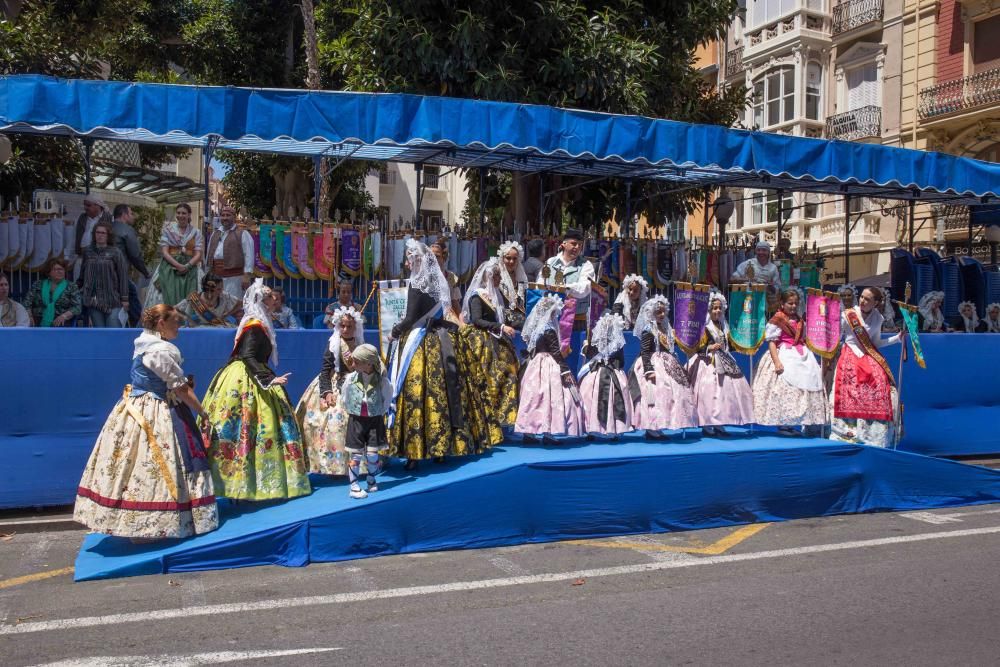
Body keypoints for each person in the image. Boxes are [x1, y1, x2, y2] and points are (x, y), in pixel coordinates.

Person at [74, 305, 218, 539]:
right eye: (175, 322)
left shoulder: (143, 342)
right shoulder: (160, 350)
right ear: (161, 324)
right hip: (156, 409)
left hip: (136, 405)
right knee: (161, 461)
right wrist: (202, 412)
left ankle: (133, 522)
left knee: (133, 463)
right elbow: (179, 388)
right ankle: (153, 523)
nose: (178, 327)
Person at [202, 279, 311, 500]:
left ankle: (247, 483)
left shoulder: (259, 322)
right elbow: (248, 355)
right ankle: (237, 484)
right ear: (262, 300)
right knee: (247, 427)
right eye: (270, 296)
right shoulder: (254, 324)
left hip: (250, 374)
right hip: (247, 378)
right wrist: (269, 378)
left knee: (253, 430)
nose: (275, 299)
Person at [389, 239, 489, 470]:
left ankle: (414, 452)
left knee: (414, 393)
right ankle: (442, 448)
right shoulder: (436, 281)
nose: (407, 262)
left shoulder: (417, 283)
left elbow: (410, 319)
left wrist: (394, 333)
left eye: (409, 258)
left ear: (415, 260)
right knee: (440, 393)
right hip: (439, 339)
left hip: (419, 342)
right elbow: (441, 313)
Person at [830, 287, 904, 448]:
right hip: (850, 352)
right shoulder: (848, 315)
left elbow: (876, 343)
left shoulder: (878, 318)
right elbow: (835, 337)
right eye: (862, 297)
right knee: (850, 383)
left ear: (876, 303)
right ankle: (846, 431)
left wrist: (897, 339)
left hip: (868, 354)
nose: (862, 301)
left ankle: (874, 433)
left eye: (867, 299)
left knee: (880, 382)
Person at [295, 306, 364, 476]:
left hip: (356, 385)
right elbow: (325, 370)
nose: (346, 329)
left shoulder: (360, 344)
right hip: (335, 384)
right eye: (343, 326)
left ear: (355, 327)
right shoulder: (334, 343)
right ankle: (334, 465)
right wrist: (326, 392)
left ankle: (360, 463)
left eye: (349, 326)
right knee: (332, 423)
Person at [752, 288, 827, 436]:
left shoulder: (800, 320)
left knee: (801, 389)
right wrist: (777, 362)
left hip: (801, 355)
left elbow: (804, 339)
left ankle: (796, 422)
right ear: (782, 303)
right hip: (784, 353)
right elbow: (772, 342)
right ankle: (783, 424)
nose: (793, 306)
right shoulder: (777, 319)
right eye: (790, 303)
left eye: (795, 304)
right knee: (783, 389)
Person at [460, 258, 521, 432]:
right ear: (488, 277)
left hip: (496, 339)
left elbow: (504, 317)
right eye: (496, 276)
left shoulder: (496, 295)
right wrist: (500, 327)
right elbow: (477, 320)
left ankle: (500, 417)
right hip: (481, 341)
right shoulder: (477, 296)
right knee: (486, 377)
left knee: (507, 373)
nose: (499, 279)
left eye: (499, 276)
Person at [515, 293, 584, 441]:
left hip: (535, 364)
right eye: (554, 312)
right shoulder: (549, 329)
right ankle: (548, 432)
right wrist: (565, 370)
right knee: (550, 397)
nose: (555, 315)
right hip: (548, 363)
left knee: (534, 397)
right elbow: (556, 352)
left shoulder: (537, 329)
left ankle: (529, 432)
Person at [626, 296, 695, 439]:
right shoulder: (648, 329)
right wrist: (648, 369)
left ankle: (662, 424)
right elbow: (645, 351)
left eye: (663, 312)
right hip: (653, 363)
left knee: (671, 394)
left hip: (667, 363)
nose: (662, 315)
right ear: (651, 313)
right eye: (658, 312)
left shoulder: (665, 329)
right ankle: (652, 427)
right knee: (656, 394)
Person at [688, 292, 754, 436]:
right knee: (710, 394)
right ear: (709, 311)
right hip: (709, 363)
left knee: (726, 394)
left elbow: (730, 343)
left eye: (719, 308)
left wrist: (745, 342)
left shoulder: (724, 327)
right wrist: (708, 348)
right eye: (714, 308)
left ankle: (720, 422)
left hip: (725, 360)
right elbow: (696, 345)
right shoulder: (705, 327)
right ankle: (707, 423)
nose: (717, 311)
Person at [341, 343, 392, 499]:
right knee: (355, 455)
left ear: (368, 363)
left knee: (372, 455)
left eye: (357, 362)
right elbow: (344, 396)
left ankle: (371, 478)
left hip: (374, 422)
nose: (353, 364)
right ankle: (354, 486)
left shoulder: (382, 381)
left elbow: (387, 398)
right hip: (356, 421)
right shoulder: (351, 379)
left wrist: (378, 411)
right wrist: (352, 408)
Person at [578, 312, 633, 438]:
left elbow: (589, 355)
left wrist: (586, 346)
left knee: (591, 398)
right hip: (613, 372)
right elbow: (621, 360)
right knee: (614, 398)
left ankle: (591, 428)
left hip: (595, 373)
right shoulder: (618, 343)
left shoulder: (595, 342)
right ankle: (613, 429)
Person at [152, 203, 204, 307]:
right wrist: (178, 266)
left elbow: (198, 254)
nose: (181, 215)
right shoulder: (168, 230)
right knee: (166, 294)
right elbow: (165, 252)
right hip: (169, 268)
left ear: (189, 215)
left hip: (190, 268)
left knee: (193, 295)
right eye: (178, 213)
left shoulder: (196, 232)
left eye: (184, 213)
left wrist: (187, 266)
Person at [543, 228, 595, 332]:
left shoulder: (586, 265)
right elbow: (541, 282)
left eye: (580, 245)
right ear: (564, 244)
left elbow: (585, 287)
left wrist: (565, 288)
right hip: (551, 317)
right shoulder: (550, 262)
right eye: (574, 243)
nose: (577, 247)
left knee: (574, 347)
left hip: (576, 319)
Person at [80, 220, 129, 328]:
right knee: (100, 333)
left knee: (113, 332)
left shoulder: (115, 252)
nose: (100, 235)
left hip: (113, 299)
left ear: (108, 235)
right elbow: (82, 275)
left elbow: (123, 276)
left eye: (103, 233)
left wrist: (125, 299)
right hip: (94, 300)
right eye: (97, 232)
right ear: (94, 234)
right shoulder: (88, 251)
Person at [111, 203, 151, 325]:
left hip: (104, 275)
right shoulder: (127, 230)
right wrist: (145, 272)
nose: (133, 216)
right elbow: (135, 255)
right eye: (131, 213)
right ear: (124, 215)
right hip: (121, 274)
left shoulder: (105, 228)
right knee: (135, 306)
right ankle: (136, 331)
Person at [203, 205, 254, 300]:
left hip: (234, 278)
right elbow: (209, 255)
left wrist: (246, 276)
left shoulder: (242, 233)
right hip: (216, 278)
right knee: (217, 304)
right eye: (223, 215)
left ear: (234, 217)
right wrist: (207, 274)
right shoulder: (215, 233)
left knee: (233, 303)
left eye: (228, 215)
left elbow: (249, 255)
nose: (225, 218)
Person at [24, 258, 82, 327]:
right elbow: (26, 303)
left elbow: (77, 307)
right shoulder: (38, 285)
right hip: (38, 319)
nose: (59, 271)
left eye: (61, 269)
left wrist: (64, 316)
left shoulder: (72, 286)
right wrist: (29, 316)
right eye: (55, 269)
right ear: (49, 272)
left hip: (61, 321)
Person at [175, 273, 240, 327]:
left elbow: (240, 304)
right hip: (201, 328)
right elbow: (174, 309)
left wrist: (227, 314)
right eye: (219, 289)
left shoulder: (224, 296)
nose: (221, 290)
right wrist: (188, 319)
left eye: (221, 288)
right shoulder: (195, 298)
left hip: (220, 327)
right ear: (209, 289)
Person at [73, 193, 112, 279]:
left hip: (99, 261)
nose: (85, 208)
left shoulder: (109, 219)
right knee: (77, 286)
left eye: (88, 205)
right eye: (84, 205)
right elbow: (72, 238)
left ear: (98, 205)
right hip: (81, 259)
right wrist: (67, 257)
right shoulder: (81, 218)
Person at [497, 240, 528, 329]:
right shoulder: (497, 276)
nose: (511, 261)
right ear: (502, 258)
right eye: (508, 258)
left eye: (515, 259)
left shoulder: (521, 276)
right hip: (503, 317)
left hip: (520, 315)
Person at [431, 238, 462, 313]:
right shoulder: (422, 278)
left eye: (437, 256)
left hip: (446, 315)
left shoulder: (450, 277)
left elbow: (455, 303)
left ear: (444, 258)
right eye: (431, 256)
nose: (434, 259)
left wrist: (462, 323)